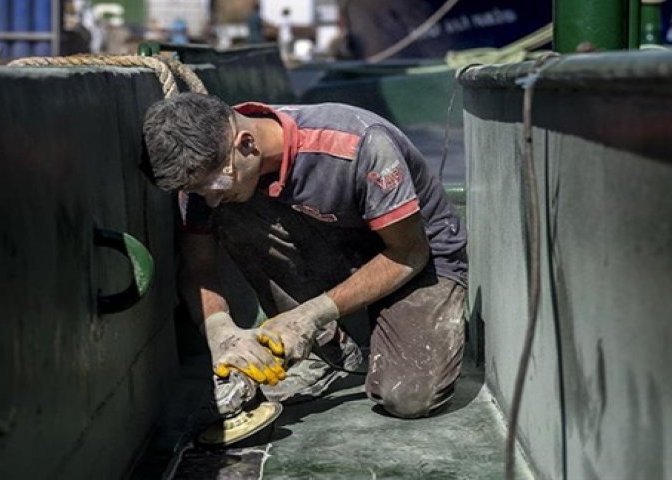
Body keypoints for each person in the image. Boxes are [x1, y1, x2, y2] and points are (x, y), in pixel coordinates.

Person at [142, 93, 468, 419]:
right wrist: (219, 330)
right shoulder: (207, 171)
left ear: (246, 144)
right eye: (200, 192)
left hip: (415, 258)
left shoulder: (360, 146)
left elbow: (409, 251)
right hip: (332, 245)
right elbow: (198, 268)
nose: (208, 200)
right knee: (231, 208)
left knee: (409, 399)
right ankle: (325, 352)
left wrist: (310, 315)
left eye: (214, 186)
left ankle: (317, 327)